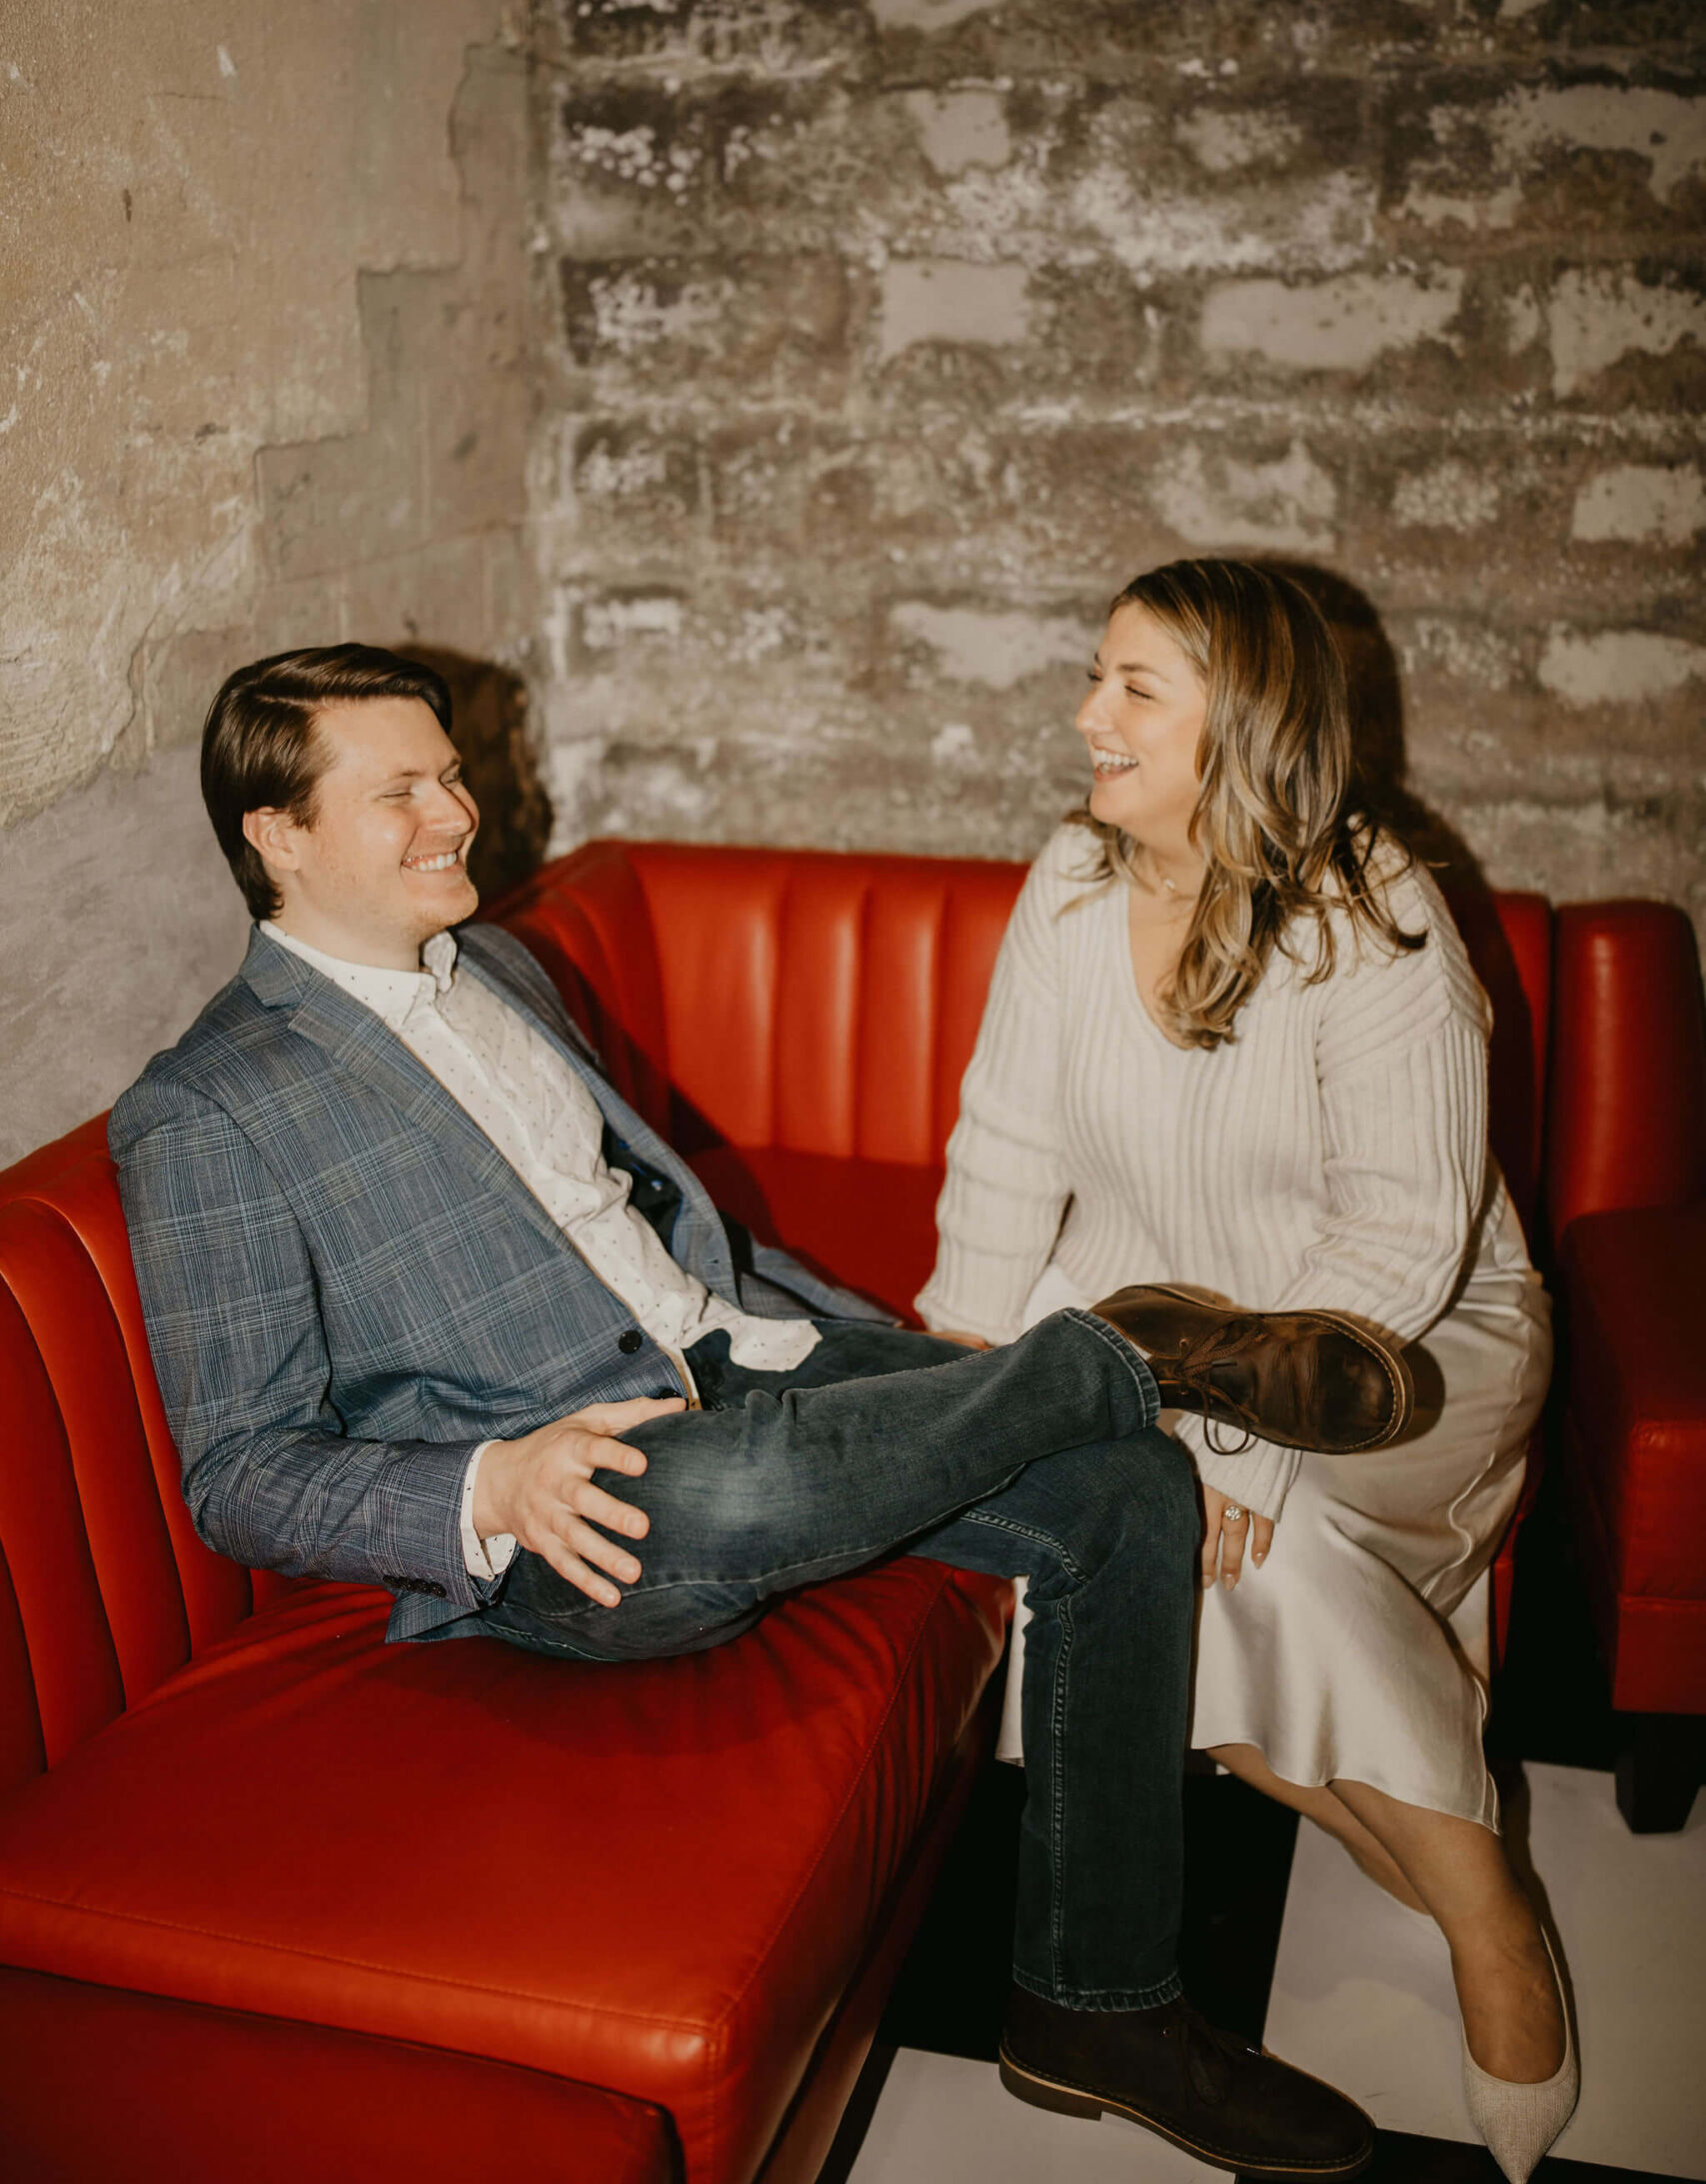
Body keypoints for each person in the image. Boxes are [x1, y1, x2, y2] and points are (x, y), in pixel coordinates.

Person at [110, 643, 1414, 2184]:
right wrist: (485, 1487)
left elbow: (664, 1236)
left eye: (448, 771)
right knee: (719, 1495)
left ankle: (1097, 2010)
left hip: (732, 1354)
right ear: (278, 833)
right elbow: (238, 1470)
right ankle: (1117, 1349)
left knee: (1127, 1490)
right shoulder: (206, 1108)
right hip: (572, 1506)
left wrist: (870, 1349)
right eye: (398, 790)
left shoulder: (502, 965)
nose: (456, 811)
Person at [917, 558, 1576, 2184]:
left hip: (1409, 1348)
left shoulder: (1378, 916)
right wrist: (962, 1388)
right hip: (1150, 1321)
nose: (1088, 717)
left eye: (1137, 686)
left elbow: (1406, 1241)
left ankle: (1490, 1912)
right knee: (1110, 1554)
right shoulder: (1068, 881)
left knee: (1254, 1560)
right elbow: (1003, 1148)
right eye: (1098, 676)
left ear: (1253, 723)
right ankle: (1417, 1829)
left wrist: (1220, 1448)